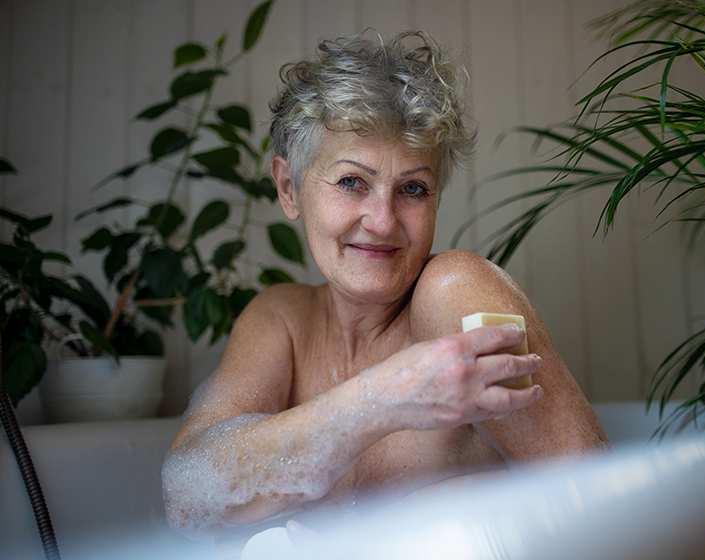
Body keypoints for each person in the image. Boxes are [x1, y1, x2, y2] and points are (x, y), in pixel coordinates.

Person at [162, 30, 610, 550]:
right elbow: (187, 497)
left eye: (413, 189)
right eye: (352, 181)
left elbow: (599, 501)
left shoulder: (455, 293)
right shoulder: (281, 320)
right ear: (288, 188)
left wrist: (398, 526)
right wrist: (380, 400)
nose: (381, 222)